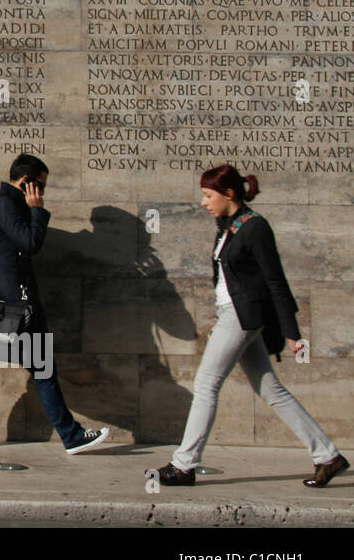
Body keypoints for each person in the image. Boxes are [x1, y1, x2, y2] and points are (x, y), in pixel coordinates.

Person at [148, 165, 346, 488]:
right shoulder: (228, 226)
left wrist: (292, 332)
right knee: (271, 390)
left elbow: (275, 280)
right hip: (235, 316)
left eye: (208, 195)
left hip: (242, 317)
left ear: (229, 194)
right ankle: (328, 456)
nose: (203, 202)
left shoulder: (255, 228)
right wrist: (222, 322)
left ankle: (184, 465)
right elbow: (230, 283)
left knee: (205, 384)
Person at [0, 154, 111, 454]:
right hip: (16, 310)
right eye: (41, 185)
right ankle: (72, 436)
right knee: (42, 370)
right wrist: (37, 212)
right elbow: (30, 243)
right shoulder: (10, 205)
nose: (42, 192)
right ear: (27, 183)